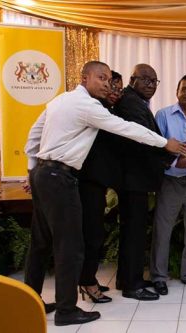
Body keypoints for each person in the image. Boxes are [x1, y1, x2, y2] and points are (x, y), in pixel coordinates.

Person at [24, 61, 186, 326]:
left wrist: (33, 170)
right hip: (60, 177)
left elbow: (34, 136)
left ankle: (30, 301)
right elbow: (125, 128)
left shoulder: (59, 101)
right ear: (85, 77)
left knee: (40, 244)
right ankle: (67, 310)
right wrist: (165, 143)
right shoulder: (87, 105)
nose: (106, 84)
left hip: (45, 174)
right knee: (70, 246)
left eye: (110, 79)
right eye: (101, 78)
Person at [114, 64, 173, 301]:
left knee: (132, 230)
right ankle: (132, 285)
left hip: (134, 178)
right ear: (132, 79)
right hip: (133, 178)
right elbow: (143, 139)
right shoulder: (129, 102)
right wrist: (170, 157)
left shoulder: (135, 100)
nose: (150, 85)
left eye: (154, 81)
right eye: (145, 80)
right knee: (134, 232)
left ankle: (126, 278)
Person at [150, 74, 186, 295]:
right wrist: (176, 161)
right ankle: (158, 277)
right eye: (184, 89)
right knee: (162, 231)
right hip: (170, 180)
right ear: (177, 91)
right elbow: (156, 147)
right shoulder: (163, 115)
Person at [77, 70, 123, 304]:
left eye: (118, 88)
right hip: (87, 182)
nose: (113, 90)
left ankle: (88, 278)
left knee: (95, 232)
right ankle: (87, 282)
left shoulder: (107, 110)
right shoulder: (93, 109)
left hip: (98, 183)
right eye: (109, 85)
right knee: (91, 234)